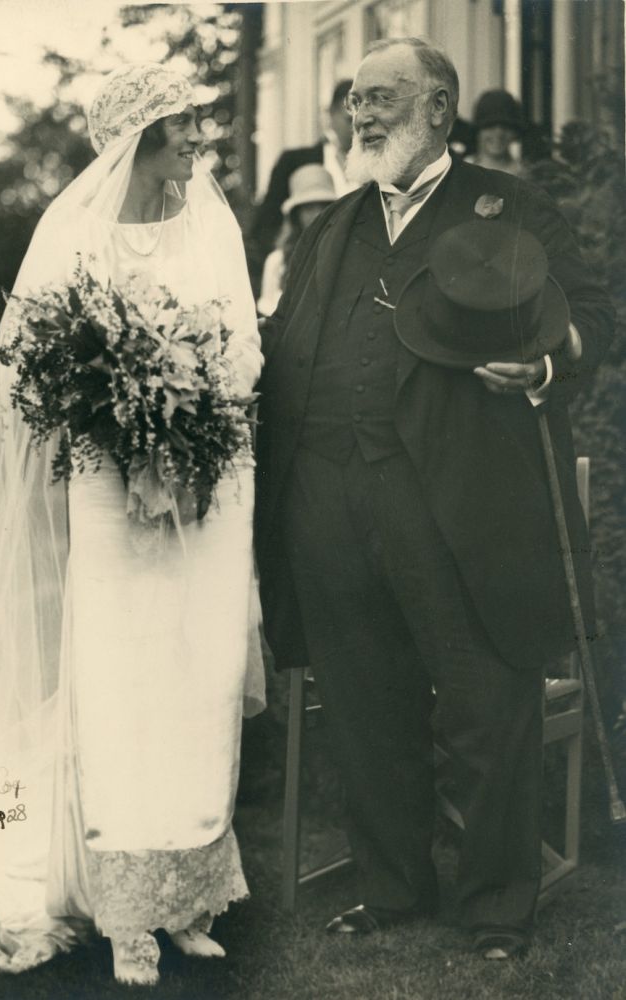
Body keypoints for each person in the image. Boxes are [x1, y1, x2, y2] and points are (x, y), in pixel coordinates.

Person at [0, 63, 264, 988]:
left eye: (197, 125)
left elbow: (245, 350)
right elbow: (40, 376)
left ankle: (187, 895)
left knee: (201, 674)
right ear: (140, 138)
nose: (199, 141)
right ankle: (126, 910)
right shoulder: (72, 236)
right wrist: (124, 416)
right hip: (111, 484)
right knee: (120, 679)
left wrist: (197, 411)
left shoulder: (214, 224)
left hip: (212, 484)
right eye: (185, 125)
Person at [255, 37, 612, 960]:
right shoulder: (331, 226)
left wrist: (541, 363)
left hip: (462, 505)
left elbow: (595, 321)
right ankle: (390, 887)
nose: (358, 116)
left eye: (379, 98)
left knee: (485, 702)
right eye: (352, 101)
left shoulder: (512, 202)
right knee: (365, 702)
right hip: (329, 504)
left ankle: (496, 907)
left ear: (439, 107)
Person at [247, 79, 354, 296]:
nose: (356, 128)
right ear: (331, 115)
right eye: (348, 119)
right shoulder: (295, 161)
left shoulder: (380, 169)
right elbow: (266, 225)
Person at [257, 164, 337, 317]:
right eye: (308, 208)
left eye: (324, 207)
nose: (317, 215)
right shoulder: (277, 262)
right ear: (296, 215)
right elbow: (268, 313)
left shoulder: (347, 254)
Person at [466, 89, 526, 175]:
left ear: (515, 132)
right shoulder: (460, 172)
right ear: (478, 131)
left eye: (505, 127)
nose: (498, 134)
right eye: (490, 126)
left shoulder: (524, 175)